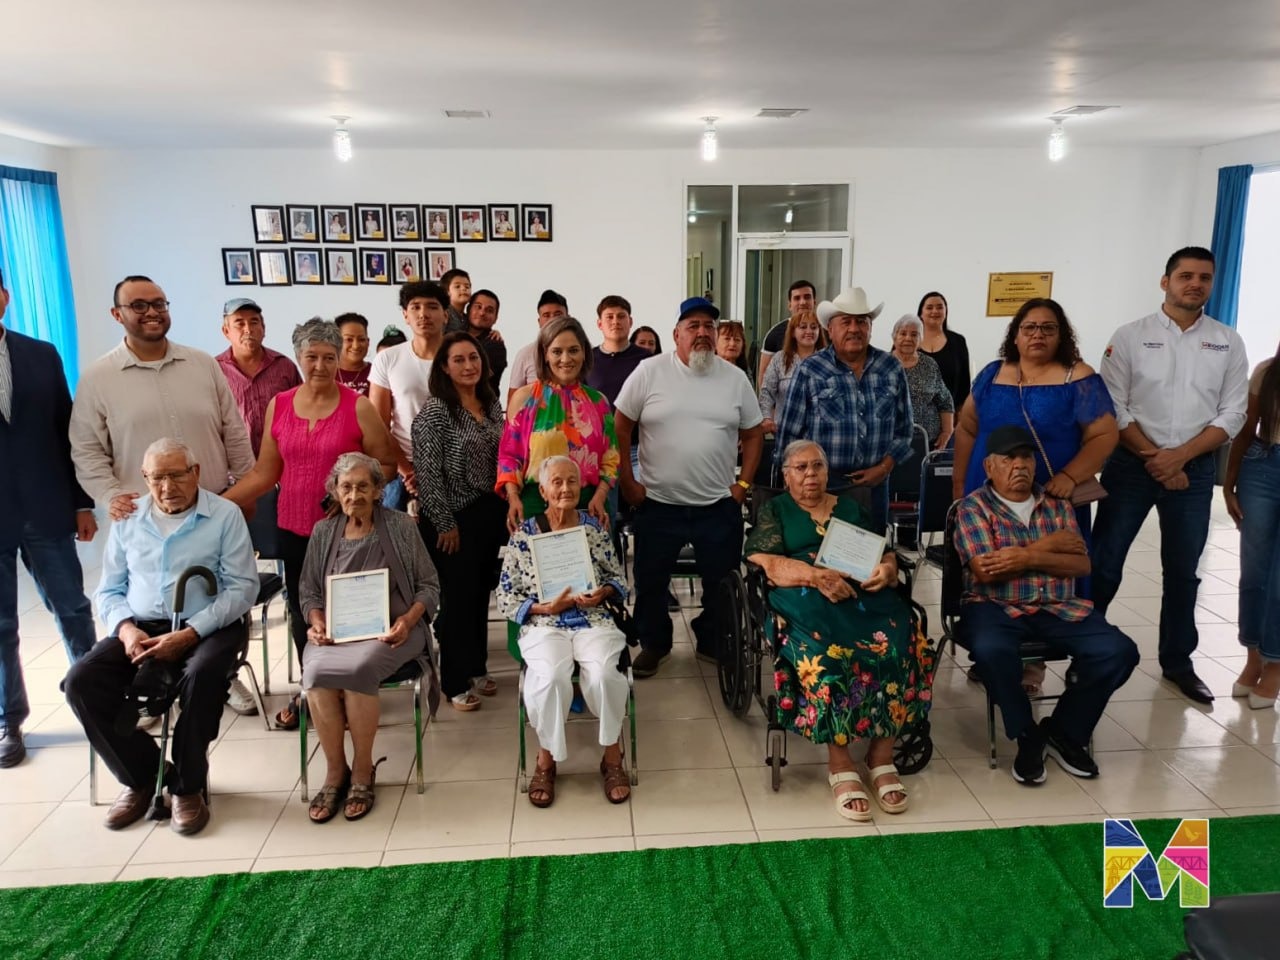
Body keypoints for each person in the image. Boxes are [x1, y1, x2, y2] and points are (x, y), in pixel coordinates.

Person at [64, 438, 258, 834]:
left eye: (176, 475)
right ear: (144, 479)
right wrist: (126, 628)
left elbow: (242, 588)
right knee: (81, 682)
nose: (168, 487)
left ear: (196, 473)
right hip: (143, 626)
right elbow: (109, 590)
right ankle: (143, 777)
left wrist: (190, 633)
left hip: (210, 623)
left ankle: (188, 787)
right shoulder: (129, 518)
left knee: (202, 677)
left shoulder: (224, 515)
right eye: (157, 478)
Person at [223, 320, 399, 730]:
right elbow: (266, 472)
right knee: (306, 613)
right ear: (298, 358)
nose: (319, 365)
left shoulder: (358, 407)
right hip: (295, 528)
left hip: (348, 531)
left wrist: (352, 493)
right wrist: (215, 505)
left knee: (348, 611)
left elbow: (386, 465)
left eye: (328, 357)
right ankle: (315, 690)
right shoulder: (279, 404)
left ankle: (352, 688)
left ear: (339, 359)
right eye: (311, 357)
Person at [1092, 246, 1249, 704]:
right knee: (1106, 563)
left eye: (1204, 277)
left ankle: (1178, 661)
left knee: (1183, 572)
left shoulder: (1227, 341)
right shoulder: (1129, 337)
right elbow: (1112, 407)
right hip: (1131, 465)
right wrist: (1155, 457)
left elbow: (1234, 412)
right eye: (1185, 276)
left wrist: (1179, 457)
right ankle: (1090, 651)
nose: (1195, 284)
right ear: (1166, 282)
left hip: (1195, 470)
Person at [745, 441, 932, 819]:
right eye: (800, 468)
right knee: (830, 655)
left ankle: (881, 756)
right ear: (786, 475)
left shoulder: (850, 508)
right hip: (803, 594)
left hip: (862, 592)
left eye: (817, 466)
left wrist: (889, 568)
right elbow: (764, 562)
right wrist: (815, 576)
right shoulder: (775, 510)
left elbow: (884, 550)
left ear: (828, 472)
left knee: (903, 640)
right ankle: (841, 761)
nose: (810, 474)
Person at [953, 426, 1139, 785]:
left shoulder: (1056, 504)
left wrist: (1022, 557)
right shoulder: (973, 508)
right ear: (990, 467)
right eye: (1008, 459)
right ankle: (1026, 734)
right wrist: (1051, 549)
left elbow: (1081, 566)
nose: (1019, 465)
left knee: (1119, 651)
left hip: (1058, 606)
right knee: (991, 649)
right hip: (994, 605)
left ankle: (1065, 730)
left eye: (1026, 458)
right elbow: (986, 571)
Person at [615, 297, 763, 677]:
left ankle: (712, 641)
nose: (702, 333)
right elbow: (620, 425)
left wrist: (743, 484)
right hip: (658, 503)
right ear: (676, 334)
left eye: (709, 327)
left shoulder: (734, 378)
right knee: (650, 581)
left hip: (717, 503)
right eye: (693, 326)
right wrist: (628, 482)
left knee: (721, 580)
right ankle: (654, 644)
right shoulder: (649, 372)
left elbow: (753, 433)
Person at [299, 453, 440, 822]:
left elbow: (429, 586)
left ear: (380, 490)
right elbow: (309, 593)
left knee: (361, 667)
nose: (355, 494)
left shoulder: (401, 527)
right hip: (335, 634)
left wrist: (408, 621)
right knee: (314, 674)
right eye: (346, 487)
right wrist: (315, 622)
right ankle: (335, 771)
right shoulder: (323, 533)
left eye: (364, 486)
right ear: (335, 491)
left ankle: (363, 769)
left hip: (391, 630)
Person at [0, 268, 99, 768]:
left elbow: (70, 432)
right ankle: (8, 721)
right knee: (0, 625)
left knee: (73, 609)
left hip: (44, 505)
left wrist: (81, 501)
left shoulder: (41, 354)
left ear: (4, 296)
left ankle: (96, 695)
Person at [497, 456, 630, 807]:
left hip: (592, 619)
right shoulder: (524, 534)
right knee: (552, 677)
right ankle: (546, 758)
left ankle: (612, 755)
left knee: (603, 675)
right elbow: (506, 596)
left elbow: (619, 579)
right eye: (557, 482)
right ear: (542, 491)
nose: (566, 488)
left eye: (572, 481)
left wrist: (603, 592)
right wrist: (544, 608)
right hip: (545, 623)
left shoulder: (593, 527)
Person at [71, 276, 255, 522]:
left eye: (159, 304)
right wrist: (110, 495)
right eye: (138, 305)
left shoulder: (203, 364)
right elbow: (87, 450)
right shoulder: (97, 378)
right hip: (143, 517)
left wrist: (246, 489)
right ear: (117, 314)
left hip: (214, 508)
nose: (151, 312)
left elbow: (234, 431)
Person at [413, 333, 508, 710]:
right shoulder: (436, 411)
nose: (469, 366)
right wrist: (443, 522)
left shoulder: (489, 402)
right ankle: (453, 680)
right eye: (459, 360)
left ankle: (477, 667)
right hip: (450, 518)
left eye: (474, 358)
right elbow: (427, 474)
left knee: (478, 597)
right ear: (443, 367)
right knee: (455, 602)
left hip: (488, 512)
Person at [775, 286, 912, 535]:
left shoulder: (891, 367)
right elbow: (789, 435)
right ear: (831, 328)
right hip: (821, 486)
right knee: (820, 559)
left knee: (869, 562)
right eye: (845, 322)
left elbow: (904, 430)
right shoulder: (810, 370)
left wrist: (883, 469)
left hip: (875, 485)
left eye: (861, 321)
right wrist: (794, 485)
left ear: (870, 327)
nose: (854, 329)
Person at [498, 316, 619, 530]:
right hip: (536, 506)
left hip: (590, 505)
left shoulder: (599, 402)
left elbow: (611, 458)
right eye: (557, 351)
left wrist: (600, 496)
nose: (566, 358)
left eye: (573, 350)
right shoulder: (524, 399)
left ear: (584, 353)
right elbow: (509, 456)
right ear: (545, 354)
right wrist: (513, 497)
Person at [1224, 339, 1280, 709]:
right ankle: (1252, 658)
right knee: (1254, 574)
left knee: (1279, 580)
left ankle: (1275, 664)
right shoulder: (1267, 370)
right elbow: (1246, 430)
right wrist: (1228, 484)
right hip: (1263, 467)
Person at [369, 281, 447, 510]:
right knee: (398, 540)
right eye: (415, 307)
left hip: (452, 466)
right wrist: (407, 471)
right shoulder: (388, 359)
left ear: (445, 314)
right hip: (403, 465)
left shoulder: (460, 356)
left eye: (432, 306)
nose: (423, 314)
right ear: (405, 315)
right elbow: (379, 425)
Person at [215, 298, 303, 456]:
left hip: (281, 461)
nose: (248, 329)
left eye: (254, 322)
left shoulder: (284, 366)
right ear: (226, 331)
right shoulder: (214, 370)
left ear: (263, 328)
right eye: (239, 323)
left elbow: (303, 414)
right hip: (234, 465)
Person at [890, 314, 954, 450]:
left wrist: (947, 431)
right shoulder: (882, 364)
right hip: (891, 441)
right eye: (903, 333)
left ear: (920, 339)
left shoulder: (930, 365)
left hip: (928, 442)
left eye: (914, 334)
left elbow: (945, 400)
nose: (908, 338)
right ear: (894, 337)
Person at [758, 309, 826, 436]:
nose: (809, 331)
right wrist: (767, 418)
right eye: (803, 327)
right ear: (793, 332)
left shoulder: (828, 360)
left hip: (819, 435)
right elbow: (766, 392)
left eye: (814, 327)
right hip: (784, 432)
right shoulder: (779, 359)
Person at [508, 290, 569, 399]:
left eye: (558, 314)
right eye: (546, 315)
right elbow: (513, 403)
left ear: (568, 318)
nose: (553, 319)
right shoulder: (525, 354)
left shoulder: (583, 352)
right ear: (539, 321)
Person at [917, 291, 972, 411]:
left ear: (946, 312)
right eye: (929, 307)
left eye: (940, 307)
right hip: (914, 417)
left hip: (950, 415)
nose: (935, 311)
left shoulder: (958, 341)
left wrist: (961, 414)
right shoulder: (908, 339)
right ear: (921, 313)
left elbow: (965, 384)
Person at [756, 280, 817, 385]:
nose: (802, 302)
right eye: (797, 298)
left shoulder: (827, 332)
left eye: (807, 297)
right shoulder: (774, 335)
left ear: (814, 302)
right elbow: (763, 378)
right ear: (789, 305)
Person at [465, 289, 508, 395]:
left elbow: (475, 377)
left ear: (495, 318)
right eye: (478, 307)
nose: (482, 313)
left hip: (483, 408)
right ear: (469, 309)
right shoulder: (453, 334)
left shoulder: (495, 344)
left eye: (489, 310)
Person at [335, 313, 372, 397]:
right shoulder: (326, 373)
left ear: (368, 342)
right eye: (349, 339)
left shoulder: (377, 372)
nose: (356, 346)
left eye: (361, 339)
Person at [439, 268, 472, 333]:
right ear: (447, 291)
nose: (463, 289)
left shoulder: (467, 318)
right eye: (457, 286)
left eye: (467, 287)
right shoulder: (444, 314)